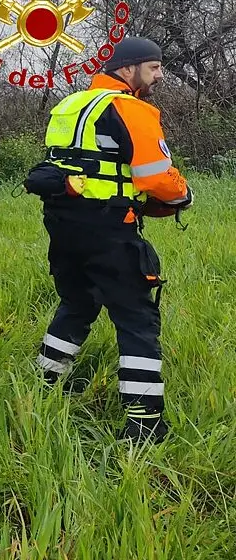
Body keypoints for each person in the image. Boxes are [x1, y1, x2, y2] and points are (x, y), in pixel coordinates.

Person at [26, 36, 192, 443]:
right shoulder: (132, 108)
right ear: (127, 69)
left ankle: (42, 386)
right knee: (136, 319)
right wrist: (183, 194)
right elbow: (155, 177)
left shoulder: (70, 104)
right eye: (153, 67)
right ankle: (145, 425)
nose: (159, 75)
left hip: (62, 223)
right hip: (109, 227)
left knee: (77, 302)